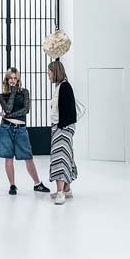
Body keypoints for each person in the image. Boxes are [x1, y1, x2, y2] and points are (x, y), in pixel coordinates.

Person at [0, 67, 48, 195]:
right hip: (6, 129)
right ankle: (12, 185)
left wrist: (7, 115)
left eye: (15, 78)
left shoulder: (25, 92)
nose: (13, 80)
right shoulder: (2, 96)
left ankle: (37, 183)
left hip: (20, 129)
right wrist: (13, 92)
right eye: (10, 78)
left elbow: (26, 110)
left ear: (18, 79)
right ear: (7, 80)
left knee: (28, 157)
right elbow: (8, 108)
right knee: (8, 158)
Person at [47, 60, 78, 205]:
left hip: (63, 128)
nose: (48, 75)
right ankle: (66, 189)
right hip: (59, 127)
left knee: (59, 158)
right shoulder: (59, 86)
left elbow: (68, 110)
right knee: (65, 156)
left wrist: (60, 127)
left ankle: (60, 193)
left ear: (56, 72)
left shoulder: (65, 86)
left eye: (49, 72)